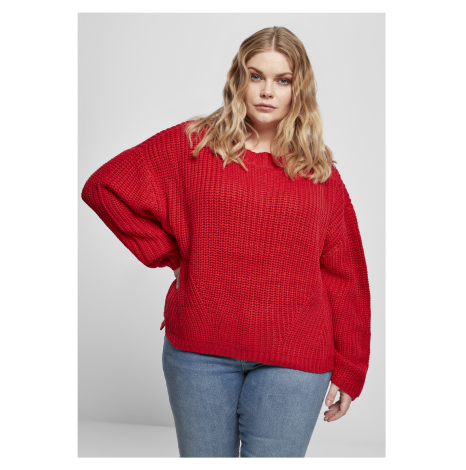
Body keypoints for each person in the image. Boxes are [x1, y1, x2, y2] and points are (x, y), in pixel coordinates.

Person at [81, 26, 371, 458]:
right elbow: (105, 187)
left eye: (283, 80)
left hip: (294, 359)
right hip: (199, 352)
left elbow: (346, 275)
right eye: (256, 76)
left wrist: (351, 366)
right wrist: (172, 256)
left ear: (299, 89)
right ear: (239, 79)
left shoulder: (319, 171)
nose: (267, 91)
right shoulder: (193, 144)